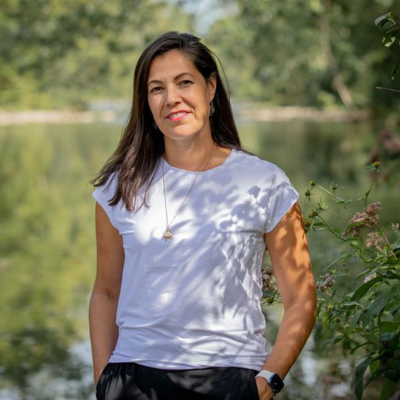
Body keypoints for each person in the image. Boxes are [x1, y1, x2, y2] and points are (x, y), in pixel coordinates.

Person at [89, 31, 317, 400]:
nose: (172, 98)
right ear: (145, 101)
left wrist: (267, 381)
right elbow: (105, 292)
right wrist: (104, 379)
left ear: (210, 88)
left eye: (184, 82)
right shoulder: (119, 187)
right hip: (132, 377)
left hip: (229, 376)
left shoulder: (264, 182)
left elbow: (301, 298)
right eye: (157, 88)